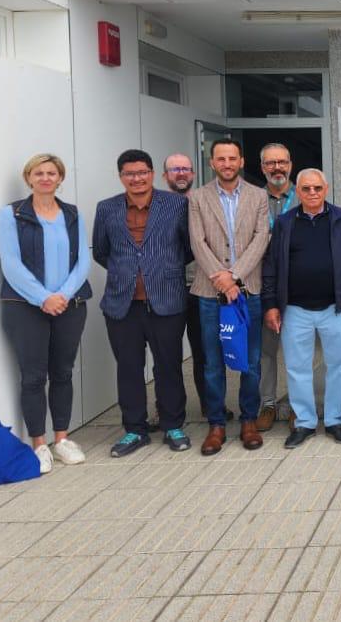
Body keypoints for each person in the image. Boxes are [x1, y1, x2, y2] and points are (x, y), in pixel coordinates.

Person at [93, 149, 193, 457]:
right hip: (122, 304)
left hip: (166, 299)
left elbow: (188, 248)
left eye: (142, 172)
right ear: (121, 177)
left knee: (169, 366)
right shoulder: (107, 208)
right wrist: (128, 273)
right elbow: (101, 250)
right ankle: (135, 429)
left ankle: (173, 425)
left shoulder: (176, 204)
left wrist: (161, 270)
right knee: (129, 368)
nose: (136, 178)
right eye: (130, 174)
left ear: (152, 174)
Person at [0, 153, 92, 473]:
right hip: (26, 308)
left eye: (52, 173)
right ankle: (39, 444)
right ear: (29, 178)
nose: (46, 178)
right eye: (38, 173)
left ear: (60, 178)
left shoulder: (72, 213)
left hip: (69, 305)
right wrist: (43, 298)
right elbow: (11, 263)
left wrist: (62, 295)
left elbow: (82, 261)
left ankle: (61, 439)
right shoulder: (12, 215)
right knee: (34, 377)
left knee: (63, 372)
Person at [262, 169, 341, 448]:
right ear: (297, 191)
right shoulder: (285, 223)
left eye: (317, 188)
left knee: (338, 365)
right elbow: (271, 266)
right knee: (297, 367)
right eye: (306, 188)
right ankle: (305, 423)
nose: (312, 193)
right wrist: (271, 304)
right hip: (295, 308)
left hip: (336, 307)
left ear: (326, 189)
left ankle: (335, 421)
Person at [188, 139, 270, 455]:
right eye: (221, 159)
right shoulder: (198, 197)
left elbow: (261, 238)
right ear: (212, 163)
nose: (227, 164)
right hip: (210, 293)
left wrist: (234, 276)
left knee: (251, 360)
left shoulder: (258, 196)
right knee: (212, 362)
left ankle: (249, 420)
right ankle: (217, 424)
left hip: (248, 290)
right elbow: (197, 242)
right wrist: (221, 280)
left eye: (232, 158)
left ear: (241, 161)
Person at [162, 153, 233, 422]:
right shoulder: (157, 206)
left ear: (193, 173)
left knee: (205, 352)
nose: (181, 173)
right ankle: (167, 409)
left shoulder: (205, 202)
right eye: (175, 169)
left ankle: (210, 405)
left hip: (200, 288)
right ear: (165, 175)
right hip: (166, 290)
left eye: (186, 169)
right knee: (167, 355)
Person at [256, 142, 299, 432]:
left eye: (282, 162)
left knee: (298, 351)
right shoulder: (252, 199)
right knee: (266, 351)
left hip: (297, 287)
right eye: (270, 163)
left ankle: (298, 405)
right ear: (262, 168)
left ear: (290, 164)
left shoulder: (304, 195)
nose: (277, 168)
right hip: (263, 285)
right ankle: (268, 404)